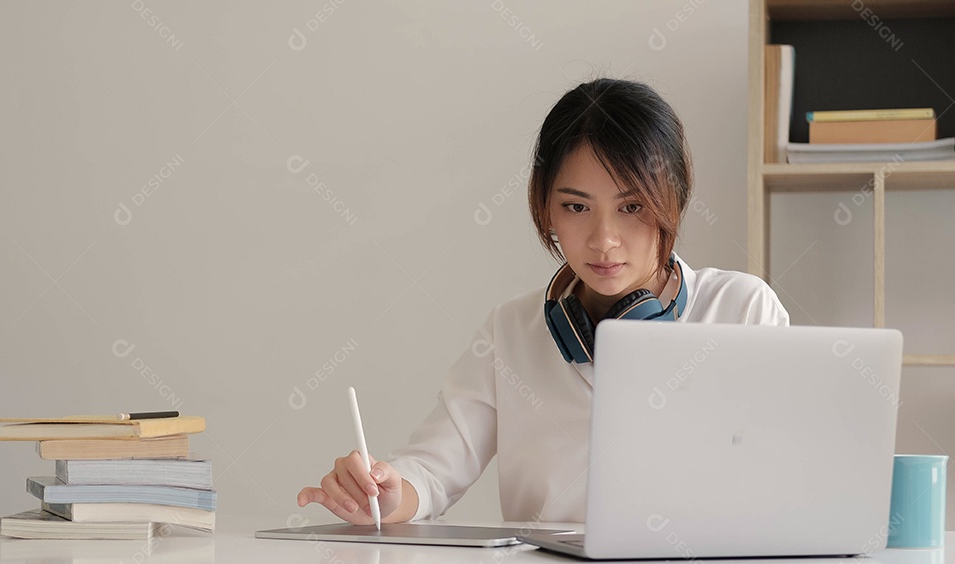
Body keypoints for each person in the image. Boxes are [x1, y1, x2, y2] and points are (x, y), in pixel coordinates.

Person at [296, 78, 789, 525]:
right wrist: (385, 495)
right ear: (545, 206)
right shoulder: (510, 330)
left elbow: (785, 480)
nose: (604, 239)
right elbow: (431, 471)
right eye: (576, 206)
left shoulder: (742, 311)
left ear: (674, 199)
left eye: (632, 206)